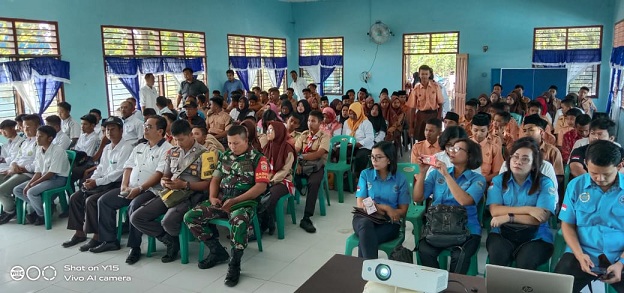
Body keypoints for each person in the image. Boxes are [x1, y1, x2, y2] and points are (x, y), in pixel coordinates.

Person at [184, 125, 270, 287]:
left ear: (246, 140)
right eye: (230, 143)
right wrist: (212, 197)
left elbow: (261, 187)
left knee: (239, 220)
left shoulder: (258, 159)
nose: (232, 147)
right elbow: (215, 179)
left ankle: (234, 263)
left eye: (236, 143)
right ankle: (216, 251)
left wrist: (235, 201)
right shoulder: (226, 156)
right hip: (223, 200)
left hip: (244, 202)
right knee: (191, 216)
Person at [91, 116, 173, 264]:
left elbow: (158, 174)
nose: (145, 129)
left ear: (160, 131)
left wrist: (140, 188)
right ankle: (109, 240)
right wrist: (124, 185)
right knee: (104, 201)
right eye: (145, 126)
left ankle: (134, 247)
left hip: (151, 190)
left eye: (149, 127)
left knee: (134, 205)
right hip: (131, 187)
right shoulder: (139, 147)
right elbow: (128, 167)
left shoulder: (167, 149)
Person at [130, 120, 211, 263]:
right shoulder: (172, 152)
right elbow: (165, 176)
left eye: (181, 139)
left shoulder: (205, 154)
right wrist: (164, 182)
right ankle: (170, 241)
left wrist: (185, 184)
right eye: (175, 139)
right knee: (137, 217)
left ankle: (173, 241)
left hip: (191, 194)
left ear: (191, 135)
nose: (178, 143)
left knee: (168, 221)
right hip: (171, 193)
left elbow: (207, 184)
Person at [555, 140, 624, 292]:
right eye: (594, 173)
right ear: (586, 163)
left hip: (619, 253)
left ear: (619, 166)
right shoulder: (576, 186)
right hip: (583, 251)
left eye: (606, 174)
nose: (599, 178)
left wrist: (621, 263)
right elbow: (567, 224)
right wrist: (579, 255)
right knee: (558, 286)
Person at [414, 138, 486, 274]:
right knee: (424, 249)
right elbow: (418, 198)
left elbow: (465, 201)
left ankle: (453, 286)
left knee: (460, 255)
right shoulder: (436, 174)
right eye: (451, 149)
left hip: (466, 230)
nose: (451, 152)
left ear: (469, 155)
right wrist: (422, 172)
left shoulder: (477, 179)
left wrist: (447, 175)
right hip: (437, 227)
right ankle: (436, 284)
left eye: (457, 149)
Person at [61, 117, 134, 251]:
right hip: (104, 182)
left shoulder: (127, 147)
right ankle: (79, 233)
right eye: (107, 129)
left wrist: (97, 182)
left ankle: (97, 236)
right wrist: (92, 180)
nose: (109, 132)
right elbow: (101, 167)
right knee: (76, 197)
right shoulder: (107, 148)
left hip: (119, 183)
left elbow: (120, 172)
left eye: (113, 129)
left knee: (92, 201)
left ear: (121, 130)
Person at [486, 137, 556, 269]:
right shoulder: (499, 180)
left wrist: (508, 217)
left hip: (537, 236)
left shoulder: (545, 183)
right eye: (515, 157)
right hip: (502, 232)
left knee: (525, 262)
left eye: (525, 159)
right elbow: (495, 210)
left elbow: (539, 218)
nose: (518, 162)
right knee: (498, 258)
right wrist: (529, 209)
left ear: (534, 164)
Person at [353, 141, 409, 259]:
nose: (374, 160)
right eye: (372, 157)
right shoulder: (365, 174)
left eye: (379, 157)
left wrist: (378, 208)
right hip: (364, 217)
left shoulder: (400, 179)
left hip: (388, 222)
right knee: (365, 224)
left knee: (365, 241)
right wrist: (386, 208)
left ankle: (366, 274)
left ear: (389, 159)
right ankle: (371, 274)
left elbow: (402, 211)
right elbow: (361, 204)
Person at [13, 125, 70, 225]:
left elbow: (51, 173)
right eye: (37, 135)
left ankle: (41, 215)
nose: (37, 138)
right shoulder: (39, 150)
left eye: (41, 136)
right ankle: (46, 208)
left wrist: (33, 184)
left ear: (50, 138)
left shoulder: (58, 151)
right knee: (17, 190)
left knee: (31, 192)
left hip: (57, 179)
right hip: (45, 178)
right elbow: (38, 171)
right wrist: (29, 183)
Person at [294, 110, 331, 233]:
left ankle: (306, 217)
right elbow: (296, 151)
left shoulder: (325, 136)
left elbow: (318, 154)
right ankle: (299, 190)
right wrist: (298, 162)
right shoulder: (303, 135)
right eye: (309, 120)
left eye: (313, 121)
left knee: (313, 183)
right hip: (302, 165)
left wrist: (301, 157)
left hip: (316, 167)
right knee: (292, 176)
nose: (310, 123)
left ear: (320, 123)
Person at [0, 114, 39, 224]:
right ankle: (8, 205)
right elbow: (16, 158)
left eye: (29, 127)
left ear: (37, 126)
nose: (25, 129)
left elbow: (39, 164)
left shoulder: (40, 142)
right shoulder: (25, 142)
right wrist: (13, 166)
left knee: (1, 191)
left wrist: (23, 168)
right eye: (24, 126)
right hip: (15, 171)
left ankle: (10, 210)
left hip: (28, 174)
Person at [260, 121, 296, 235]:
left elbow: (285, 171)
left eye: (272, 130)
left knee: (271, 194)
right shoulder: (267, 147)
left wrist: (271, 181)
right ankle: (267, 220)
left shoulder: (288, 150)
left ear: (279, 132)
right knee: (255, 191)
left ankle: (263, 224)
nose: (268, 132)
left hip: (283, 181)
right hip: (267, 178)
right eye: (268, 129)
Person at [522, 115, 564, 184]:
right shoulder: (520, 150)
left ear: (541, 132)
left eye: (531, 130)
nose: (526, 133)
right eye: (524, 131)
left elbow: (559, 177)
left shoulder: (553, 151)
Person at [406, 65, 444, 141]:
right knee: (421, 139)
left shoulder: (436, 87)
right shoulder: (416, 89)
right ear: (419, 75)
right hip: (421, 116)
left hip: (433, 115)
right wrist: (411, 126)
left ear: (429, 75)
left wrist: (439, 117)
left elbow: (440, 103)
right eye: (422, 74)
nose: (424, 76)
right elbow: (412, 108)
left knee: (433, 138)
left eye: (426, 74)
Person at [342, 102, 375, 177]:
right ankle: (345, 174)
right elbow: (344, 136)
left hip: (363, 146)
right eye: (350, 114)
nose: (352, 116)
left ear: (359, 112)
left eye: (354, 114)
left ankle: (358, 176)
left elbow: (370, 138)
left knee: (360, 157)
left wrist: (359, 143)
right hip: (350, 145)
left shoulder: (366, 123)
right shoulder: (346, 122)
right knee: (340, 153)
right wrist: (346, 143)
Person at [470, 113, 503, 182]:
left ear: (488, 129)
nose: (479, 134)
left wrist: (482, 180)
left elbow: (498, 172)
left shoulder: (494, 148)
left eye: (482, 131)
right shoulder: (464, 145)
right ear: (470, 128)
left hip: (485, 182)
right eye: (475, 130)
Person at [70, 114, 101, 184]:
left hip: (87, 162)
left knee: (71, 174)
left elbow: (87, 155)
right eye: (81, 124)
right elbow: (76, 149)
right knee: (65, 171)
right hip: (79, 160)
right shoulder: (83, 136)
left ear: (92, 126)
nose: (82, 127)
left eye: (85, 124)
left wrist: (77, 152)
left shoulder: (94, 138)